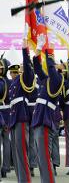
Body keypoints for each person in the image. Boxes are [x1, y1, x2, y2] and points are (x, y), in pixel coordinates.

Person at [31, 35, 64, 183]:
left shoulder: (57, 80)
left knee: (44, 157)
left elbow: (50, 67)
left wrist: (49, 50)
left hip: (45, 121)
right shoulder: (48, 81)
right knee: (41, 158)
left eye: (59, 64)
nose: (55, 64)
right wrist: (38, 50)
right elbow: (37, 67)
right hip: (39, 119)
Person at [8, 39, 34, 183]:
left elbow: (29, 69)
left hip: (21, 117)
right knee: (16, 152)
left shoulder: (26, 78)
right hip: (14, 118)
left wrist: (25, 50)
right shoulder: (14, 82)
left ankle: (25, 180)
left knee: (22, 152)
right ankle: (20, 179)